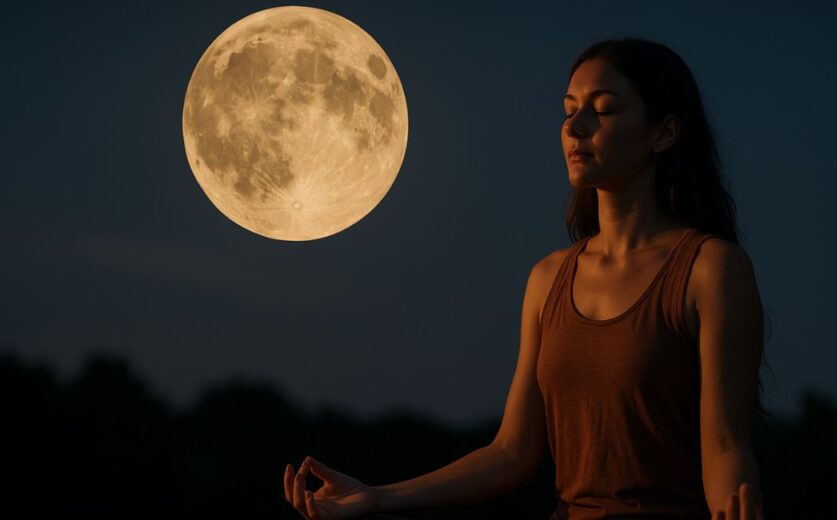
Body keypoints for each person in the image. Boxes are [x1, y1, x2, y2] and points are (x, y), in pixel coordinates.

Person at [283, 37, 770, 520]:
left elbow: (725, 447)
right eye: (569, 109)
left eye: (604, 110)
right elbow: (512, 453)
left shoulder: (710, 269)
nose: (575, 127)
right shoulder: (548, 278)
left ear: (662, 133)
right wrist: (379, 496)